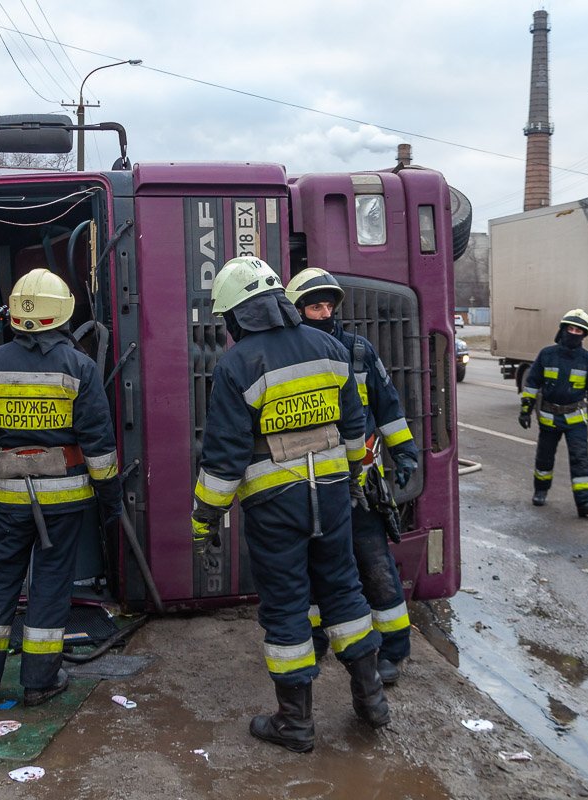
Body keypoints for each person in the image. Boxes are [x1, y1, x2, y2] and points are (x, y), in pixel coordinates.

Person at [192, 256, 389, 753]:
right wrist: (348, 481)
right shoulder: (328, 346)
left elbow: (224, 457)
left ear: (238, 314)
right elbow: (353, 428)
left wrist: (205, 517)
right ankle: (373, 703)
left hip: (275, 505)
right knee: (345, 593)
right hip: (331, 495)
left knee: (286, 610)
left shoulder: (236, 364)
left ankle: (295, 724)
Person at [0, 269, 122, 707]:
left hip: (9, 498)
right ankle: (40, 682)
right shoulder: (79, 366)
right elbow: (99, 446)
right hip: (65, 499)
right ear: (63, 312)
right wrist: (110, 500)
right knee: (50, 585)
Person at [284, 268, 418, 687]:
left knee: (375, 564)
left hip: (360, 482)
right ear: (297, 310)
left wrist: (405, 451)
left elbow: (388, 403)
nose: (323, 313)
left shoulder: (358, 350)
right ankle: (316, 642)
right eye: (313, 306)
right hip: (310, 483)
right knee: (310, 568)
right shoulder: (287, 355)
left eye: (328, 305)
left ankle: (392, 651)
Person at [518, 309, 588, 517]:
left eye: (579, 330)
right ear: (562, 329)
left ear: (584, 335)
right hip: (549, 418)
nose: (574, 333)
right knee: (544, 458)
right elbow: (532, 384)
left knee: (580, 459)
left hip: (576, 419)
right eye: (570, 328)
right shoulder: (547, 355)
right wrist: (525, 411)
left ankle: (585, 502)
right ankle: (540, 491)